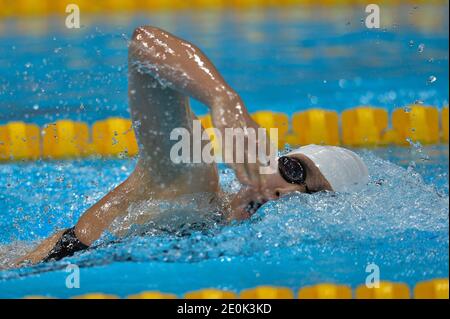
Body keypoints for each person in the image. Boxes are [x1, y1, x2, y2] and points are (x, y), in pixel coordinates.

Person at [14, 26, 368, 266]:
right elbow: (144, 43)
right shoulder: (192, 184)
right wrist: (224, 99)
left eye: (311, 195)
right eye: (294, 170)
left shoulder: (233, 251)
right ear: (273, 161)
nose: (288, 192)